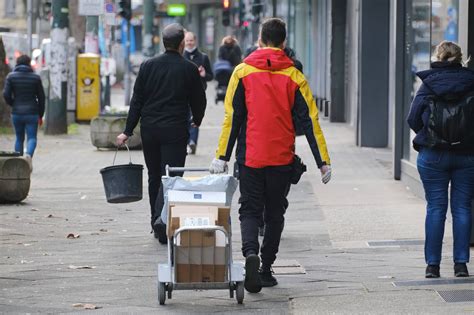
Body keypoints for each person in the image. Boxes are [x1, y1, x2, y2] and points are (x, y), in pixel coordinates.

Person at [209, 18, 331, 293]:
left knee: (250, 210)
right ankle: (265, 268)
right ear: (284, 43)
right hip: (281, 157)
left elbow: (233, 118)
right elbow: (310, 120)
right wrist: (322, 162)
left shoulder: (241, 73)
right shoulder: (294, 76)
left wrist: (222, 156)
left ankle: (250, 252)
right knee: (275, 212)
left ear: (260, 40)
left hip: (250, 156)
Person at [116, 23, 206, 242]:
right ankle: (162, 220)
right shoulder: (188, 69)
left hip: (150, 131)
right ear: (182, 44)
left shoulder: (147, 66)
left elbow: (136, 101)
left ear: (163, 42)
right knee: (173, 177)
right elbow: (199, 100)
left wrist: (127, 131)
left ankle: (155, 220)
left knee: (155, 175)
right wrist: (197, 119)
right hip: (175, 131)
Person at [407, 41, 474, 278]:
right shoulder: (471, 82)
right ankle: (461, 265)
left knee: (436, 208)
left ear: (437, 57)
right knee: (462, 208)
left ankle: (432, 266)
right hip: (467, 155)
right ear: (460, 59)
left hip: (433, 155)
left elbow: (413, 119)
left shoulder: (428, 84)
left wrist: (430, 135)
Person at [3, 54, 45, 170]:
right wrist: (40, 115)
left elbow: (6, 94)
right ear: (28, 63)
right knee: (32, 137)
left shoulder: (11, 77)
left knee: (19, 138)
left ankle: (18, 165)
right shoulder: (35, 78)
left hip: (17, 113)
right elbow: (41, 98)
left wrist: (13, 103)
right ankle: (28, 156)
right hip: (32, 112)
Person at [183, 31, 213, 155]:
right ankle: (185, 142)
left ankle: (192, 142)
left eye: (191, 40)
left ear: (195, 41)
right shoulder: (180, 56)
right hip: (183, 93)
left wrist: (204, 75)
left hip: (198, 93)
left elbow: (211, 76)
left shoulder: (203, 57)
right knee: (184, 118)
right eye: (187, 40)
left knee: (195, 117)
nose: (189, 43)